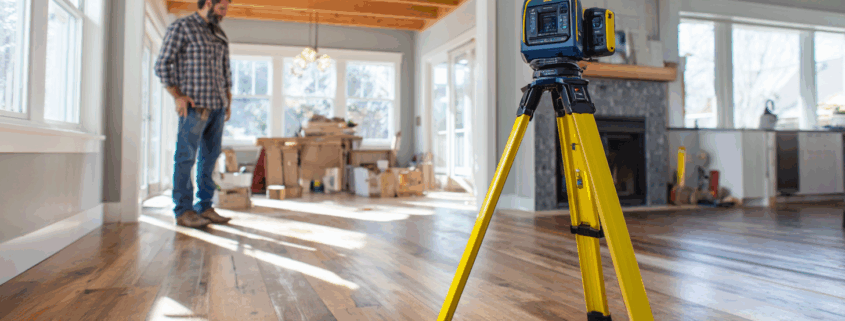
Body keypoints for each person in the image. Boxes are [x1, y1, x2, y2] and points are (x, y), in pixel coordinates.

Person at [155, 0, 233, 228]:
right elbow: (162, 64)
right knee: (186, 158)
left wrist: (228, 101)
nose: (225, 13)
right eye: (222, 8)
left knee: (210, 160)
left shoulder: (219, 33)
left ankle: (205, 207)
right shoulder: (182, 27)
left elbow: (225, 70)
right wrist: (177, 95)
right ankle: (183, 210)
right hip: (194, 108)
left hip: (218, 106)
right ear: (208, 3)